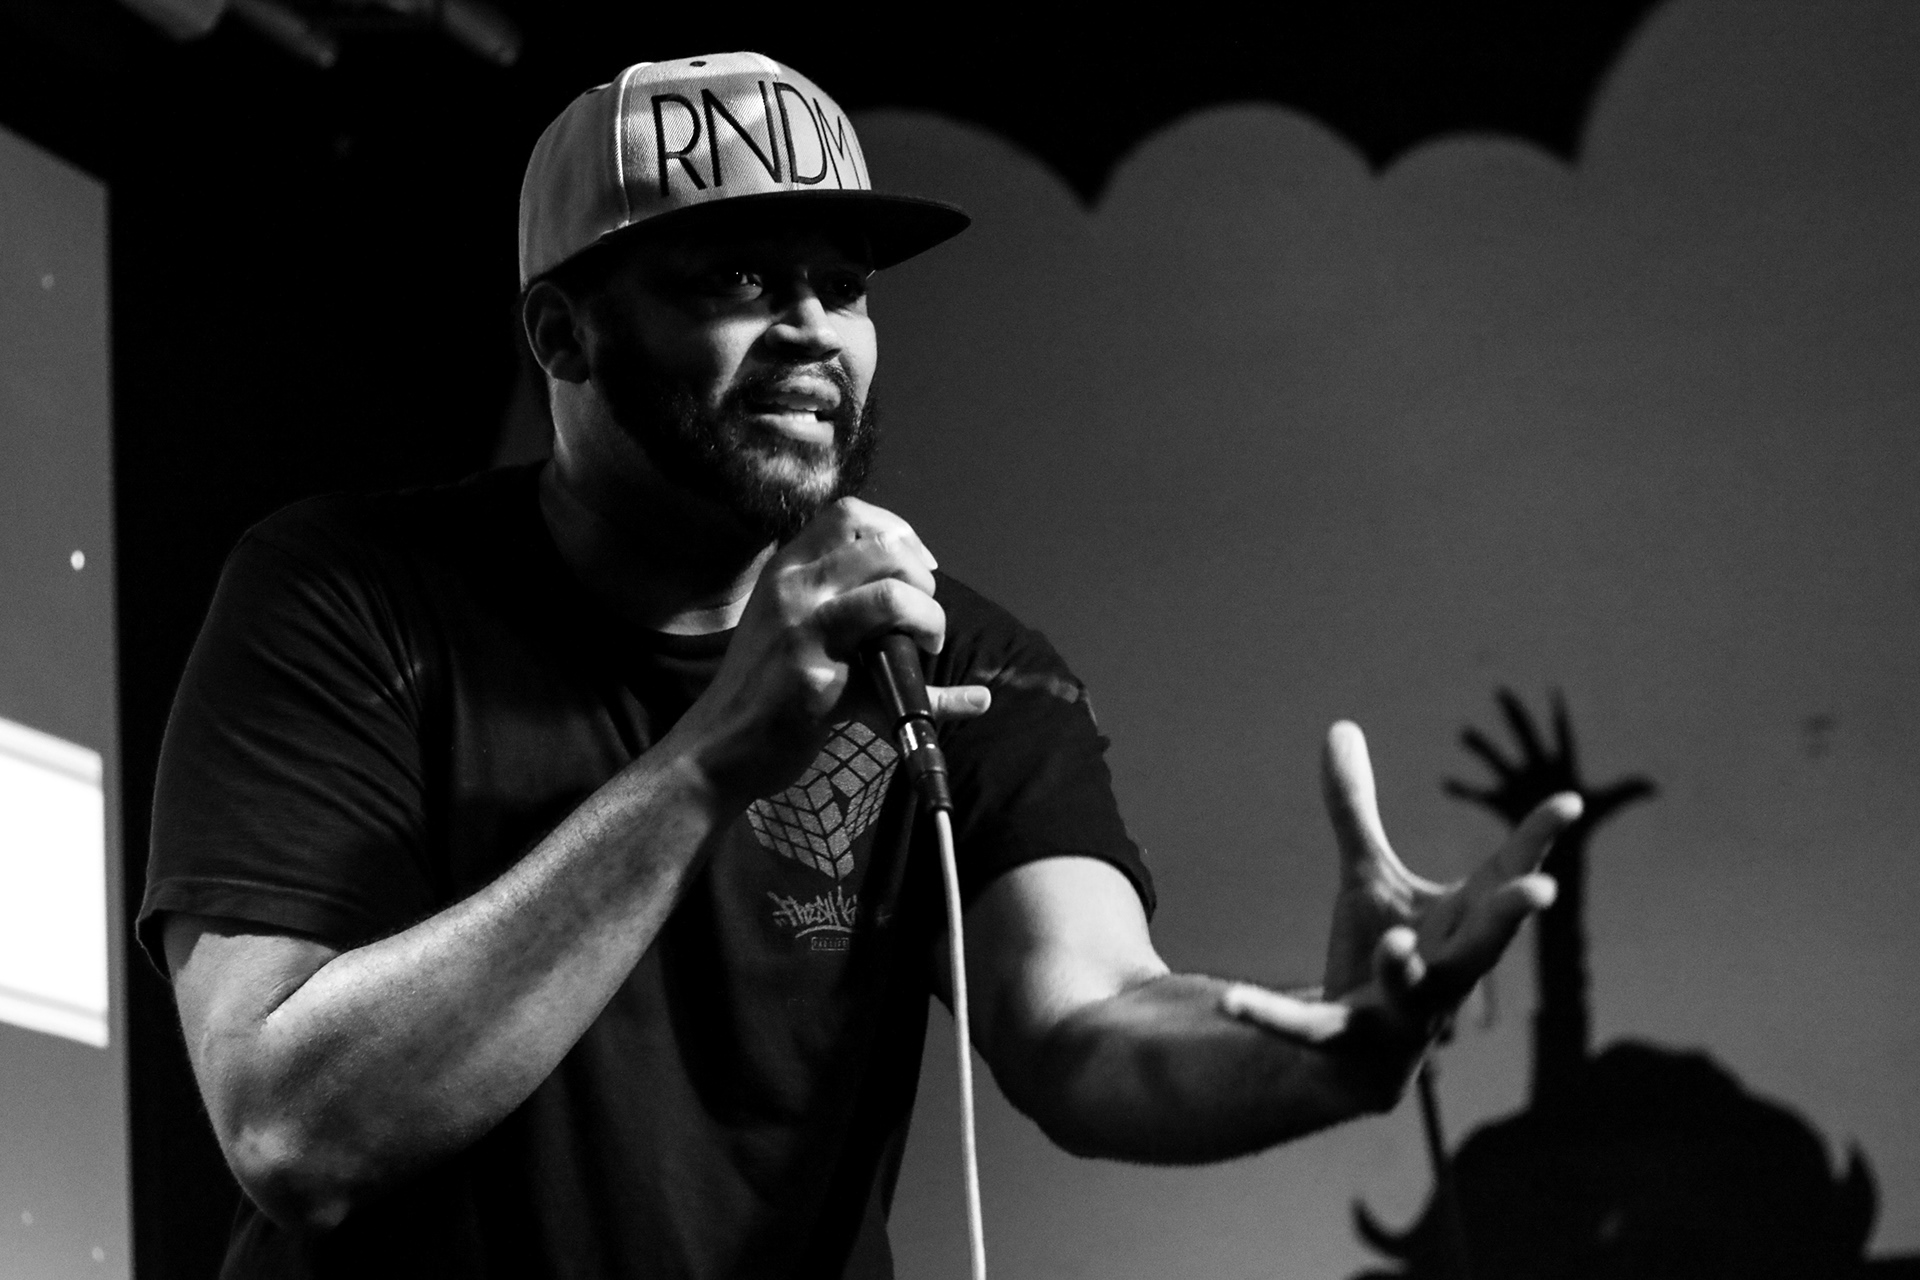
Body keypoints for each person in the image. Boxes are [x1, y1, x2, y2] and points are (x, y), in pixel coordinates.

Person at [140, 52, 1580, 1279]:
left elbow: (1083, 1024)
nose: (814, 332)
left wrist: (1322, 1054)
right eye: (740, 279)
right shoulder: (347, 596)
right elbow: (291, 1127)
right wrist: (711, 758)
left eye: (845, 285)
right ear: (563, 334)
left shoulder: (949, 653)